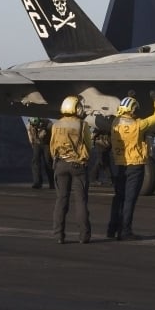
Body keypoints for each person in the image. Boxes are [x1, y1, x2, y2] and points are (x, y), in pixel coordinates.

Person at [108, 91, 155, 240]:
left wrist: (130, 98)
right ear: (132, 110)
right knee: (129, 200)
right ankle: (125, 231)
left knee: (118, 197)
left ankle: (112, 228)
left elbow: (126, 112)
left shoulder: (115, 123)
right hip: (135, 166)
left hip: (118, 164)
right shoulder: (138, 125)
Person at [49, 95, 93, 244]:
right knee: (80, 201)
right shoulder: (82, 125)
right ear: (76, 108)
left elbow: (52, 147)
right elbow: (88, 145)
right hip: (78, 166)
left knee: (61, 200)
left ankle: (58, 235)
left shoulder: (56, 125)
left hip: (60, 165)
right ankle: (84, 236)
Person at [27, 116, 53, 188]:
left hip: (47, 143)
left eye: (37, 126)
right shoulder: (30, 125)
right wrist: (32, 143)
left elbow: (53, 136)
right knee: (35, 161)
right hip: (36, 143)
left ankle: (52, 183)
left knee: (48, 162)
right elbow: (30, 134)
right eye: (34, 126)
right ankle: (37, 182)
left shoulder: (49, 124)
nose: (36, 127)